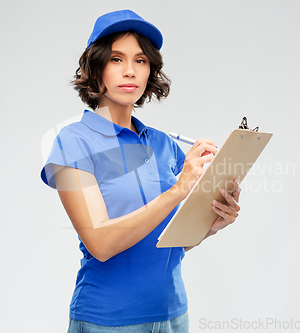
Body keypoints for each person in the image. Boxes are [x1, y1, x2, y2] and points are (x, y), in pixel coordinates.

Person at [40, 9, 241, 333]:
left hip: (173, 316)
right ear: (97, 66)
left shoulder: (165, 145)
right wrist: (178, 189)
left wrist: (213, 222)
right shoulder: (73, 143)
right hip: (109, 320)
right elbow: (101, 243)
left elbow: (171, 242)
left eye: (141, 60)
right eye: (117, 59)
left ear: (151, 71)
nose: (130, 71)